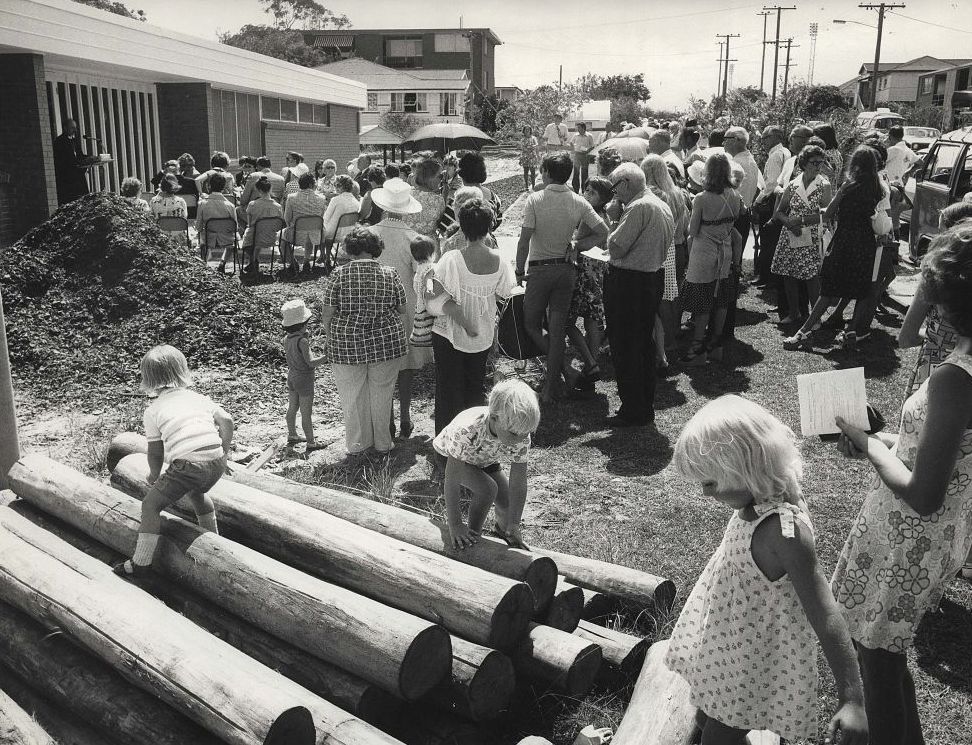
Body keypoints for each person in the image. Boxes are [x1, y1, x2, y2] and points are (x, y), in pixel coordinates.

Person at [832, 224, 972, 745]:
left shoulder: (954, 376)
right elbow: (944, 448)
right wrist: (880, 436)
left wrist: (866, 444)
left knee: (878, 666)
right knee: (885, 656)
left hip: (909, 539)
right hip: (933, 536)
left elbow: (922, 491)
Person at [666, 395, 868, 745]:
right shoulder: (760, 499)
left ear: (745, 469)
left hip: (752, 660)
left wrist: (852, 698)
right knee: (704, 715)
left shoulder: (784, 532)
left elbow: (825, 612)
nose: (704, 493)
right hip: (727, 642)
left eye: (711, 482)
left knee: (717, 737)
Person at [113, 345, 233, 577]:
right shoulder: (198, 398)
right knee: (197, 494)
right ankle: (215, 542)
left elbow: (156, 452)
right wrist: (224, 453)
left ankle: (141, 564)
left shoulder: (154, 410)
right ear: (182, 370)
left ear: (147, 379)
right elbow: (227, 420)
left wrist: (153, 474)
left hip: (188, 466)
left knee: (150, 505)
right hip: (215, 461)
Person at [515, 152, 609, 402]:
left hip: (540, 269)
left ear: (546, 172)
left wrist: (518, 270)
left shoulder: (535, 199)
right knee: (557, 332)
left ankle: (563, 374)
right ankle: (554, 384)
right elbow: (603, 232)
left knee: (532, 325)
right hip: (566, 271)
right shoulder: (578, 201)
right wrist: (577, 245)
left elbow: (524, 240)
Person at [429, 199, 516, 436]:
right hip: (483, 329)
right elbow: (505, 292)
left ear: (461, 225)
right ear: (489, 226)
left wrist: (426, 275)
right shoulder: (500, 260)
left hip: (449, 331)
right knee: (474, 389)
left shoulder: (452, 258)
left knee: (448, 391)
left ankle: (446, 448)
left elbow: (432, 289)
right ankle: (473, 443)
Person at [784, 147, 885, 350]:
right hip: (866, 243)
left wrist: (839, 194)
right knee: (860, 288)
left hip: (845, 241)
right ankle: (852, 330)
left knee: (829, 289)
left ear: (854, 163)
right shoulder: (877, 188)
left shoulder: (849, 187)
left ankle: (804, 331)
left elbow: (828, 214)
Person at [320, 226, 408, 456]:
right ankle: (382, 443)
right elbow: (402, 308)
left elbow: (328, 311)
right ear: (375, 249)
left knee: (352, 395)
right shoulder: (390, 273)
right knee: (382, 393)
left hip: (347, 343)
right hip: (386, 341)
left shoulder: (338, 274)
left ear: (350, 250)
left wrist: (330, 337)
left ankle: (358, 445)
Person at [603, 162, 674, 426]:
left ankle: (633, 408)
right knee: (642, 344)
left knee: (626, 345)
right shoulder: (658, 203)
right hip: (649, 278)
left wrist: (613, 219)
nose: (614, 194)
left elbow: (616, 247)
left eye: (615, 187)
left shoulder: (638, 207)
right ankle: (642, 404)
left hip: (630, 282)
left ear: (627, 183)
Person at [434, 380, 541, 550]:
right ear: (493, 418)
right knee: (488, 489)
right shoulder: (467, 430)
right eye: (514, 434)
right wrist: (455, 524)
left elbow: (518, 481)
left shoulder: (519, 433)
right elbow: (451, 479)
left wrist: (513, 524)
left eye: (526, 434)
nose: (520, 440)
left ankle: (503, 530)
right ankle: (471, 536)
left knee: (507, 502)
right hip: (450, 457)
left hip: (484, 458)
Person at [370, 178, 431, 439]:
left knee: (381, 365)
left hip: (374, 304)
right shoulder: (412, 238)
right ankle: (405, 416)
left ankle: (388, 418)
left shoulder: (370, 234)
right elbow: (424, 277)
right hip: (404, 304)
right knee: (405, 365)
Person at [680, 153, 743, 366]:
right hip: (724, 251)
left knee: (702, 302)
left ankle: (697, 347)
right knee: (721, 299)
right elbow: (734, 224)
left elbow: (693, 229)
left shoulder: (702, 198)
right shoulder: (735, 195)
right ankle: (716, 344)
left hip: (703, 253)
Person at [772, 145, 833, 329]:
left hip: (812, 234)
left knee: (811, 277)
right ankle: (794, 313)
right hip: (791, 233)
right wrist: (789, 222)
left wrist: (802, 220)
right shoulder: (792, 184)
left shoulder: (824, 185)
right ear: (804, 163)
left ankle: (815, 317)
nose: (818, 167)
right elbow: (779, 212)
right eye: (814, 162)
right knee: (789, 274)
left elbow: (827, 215)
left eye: (821, 163)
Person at [641, 155, 688, 370]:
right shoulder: (676, 193)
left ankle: (666, 341)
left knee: (660, 298)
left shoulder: (655, 194)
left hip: (661, 248)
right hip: (677, 245)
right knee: (672, 293)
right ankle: (672, 336)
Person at [566, 177, 613, 388]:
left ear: (602, 197)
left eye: (592, 192)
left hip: (585, 271)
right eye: (586, 189)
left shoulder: (589, 217)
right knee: (593, 319)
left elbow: (580, 244)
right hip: (599, 271)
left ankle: (590, 361)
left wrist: (574, 243)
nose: (586, 194)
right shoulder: (606, 215)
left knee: (568, 321)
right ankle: (591, 362)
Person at [281, 299, 327, 451]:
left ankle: (292, 434)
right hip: (304, 379)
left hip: (292, 375)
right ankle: (311, 442)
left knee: (292, 407)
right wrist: (327, 356)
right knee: (306, 412)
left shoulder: (286, 339)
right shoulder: (303, 341)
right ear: (303, 324)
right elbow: (311, 363)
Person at [753, 125, 791, 286]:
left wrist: (758, 200)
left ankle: (766, 276)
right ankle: (770, 276)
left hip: (770, 201)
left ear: (776, 137)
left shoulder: (776, 155)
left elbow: (771, 183)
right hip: (778, 200)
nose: (763, 141)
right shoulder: (784, 152)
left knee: (767, 241)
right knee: (772, 241)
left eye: (766, 138)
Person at [283, 172, 327, 274]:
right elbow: (321, 217)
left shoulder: (291, 198)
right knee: (310, 231)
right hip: (317, 234)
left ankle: (293, 262)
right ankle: (306, 261)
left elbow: (287, 218)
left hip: (296, 234)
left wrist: (291, 226)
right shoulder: (321, 198)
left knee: (282, 239)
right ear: (311, 185)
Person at [195, 172, 237, 274]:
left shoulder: (202, 204)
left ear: (209, 186)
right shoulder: (230, 205)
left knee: (200, 236)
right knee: (233, 240)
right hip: (226, 239)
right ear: (223, 187)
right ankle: (222, 263)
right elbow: (234, 226)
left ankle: (204, 264)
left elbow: (199, 226)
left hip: (208, 238)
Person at [240, 176, 284, 275]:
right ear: (270, 188)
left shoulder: (252, 204)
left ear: (258, 190)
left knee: (250, 234)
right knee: (258, 232)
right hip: (272, 237)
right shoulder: (278, 206)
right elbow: (279, 224)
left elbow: (250, 223)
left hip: (255, 238)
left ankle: (254, 261)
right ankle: (254, 261)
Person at [884, 125, 920, 236]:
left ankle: (890, 247)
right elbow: (921, 163)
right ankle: (895, 246)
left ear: (890, 136)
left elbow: (879, 162)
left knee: (887, 218)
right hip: (899, 187)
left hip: (888, 187)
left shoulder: (893, 149)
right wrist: (909, 171)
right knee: (895, 219)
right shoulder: (908, 150)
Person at [402, 156, 446, 242]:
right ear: (430, 177)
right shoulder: (438, 200)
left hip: (407, 242)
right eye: (440, 176)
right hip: (429, 246)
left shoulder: (406, 194)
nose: (441, 179)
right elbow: (440, 224)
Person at [323, 174, 361, 265]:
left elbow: (325, 217)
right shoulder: (356, 201)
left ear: (340, 187)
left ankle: (326, 257)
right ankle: (325, 257)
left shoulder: (335, 200)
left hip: (335, 232)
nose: (335, 187)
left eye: (336, 185)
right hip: (350, 232)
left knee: (321, 230)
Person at [458, 151, 502, 226]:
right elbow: (497, 221)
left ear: (462, 173)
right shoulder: (493, 197)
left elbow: (446, 227)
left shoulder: (457, 198)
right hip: (487, 237)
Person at [409, 235, 437, 350]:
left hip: (419, 307)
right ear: (431, 253)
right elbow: (429, 285)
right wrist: (431, 292)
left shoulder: (419, 269)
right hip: (428, 308)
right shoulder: (430, 268)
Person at [53, 119, 89, 205]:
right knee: (71, 202)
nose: (75, 130)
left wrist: (89, 158)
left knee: (82, 201)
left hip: (78, 177)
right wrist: (76, 164)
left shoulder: (75, 141)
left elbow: (79, 155)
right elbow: (61, 160)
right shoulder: (59, 141)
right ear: (65, 128)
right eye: (72, 128)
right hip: (67, 179)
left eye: (75, 128)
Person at [569, 122, 595, 193]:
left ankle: (584, 190)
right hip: (577, 155)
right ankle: (576, 190)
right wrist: (573, 149)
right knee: (576, 173)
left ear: (583, 128)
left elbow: (592, 146)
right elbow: (571, 142)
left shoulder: (589, 136)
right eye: (577, 128)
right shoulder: (575, 135)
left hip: (585, 156)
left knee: (584, 174)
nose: (578, 129)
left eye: (579, 128)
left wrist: (587, 151)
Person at [519, 125, 541, 191]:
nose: (527, 131)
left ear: (530, 130)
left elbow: (536, 145)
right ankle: (526, 186)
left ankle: (534, 185)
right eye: (526, 129)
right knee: (525, 171)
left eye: (528, 129)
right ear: (524, 131)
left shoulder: (533, 138)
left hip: (532, 157)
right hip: (525, 157)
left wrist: (537, 154)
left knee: (533, 172)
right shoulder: (523, 139)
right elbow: (523, 148)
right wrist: (531, 147)